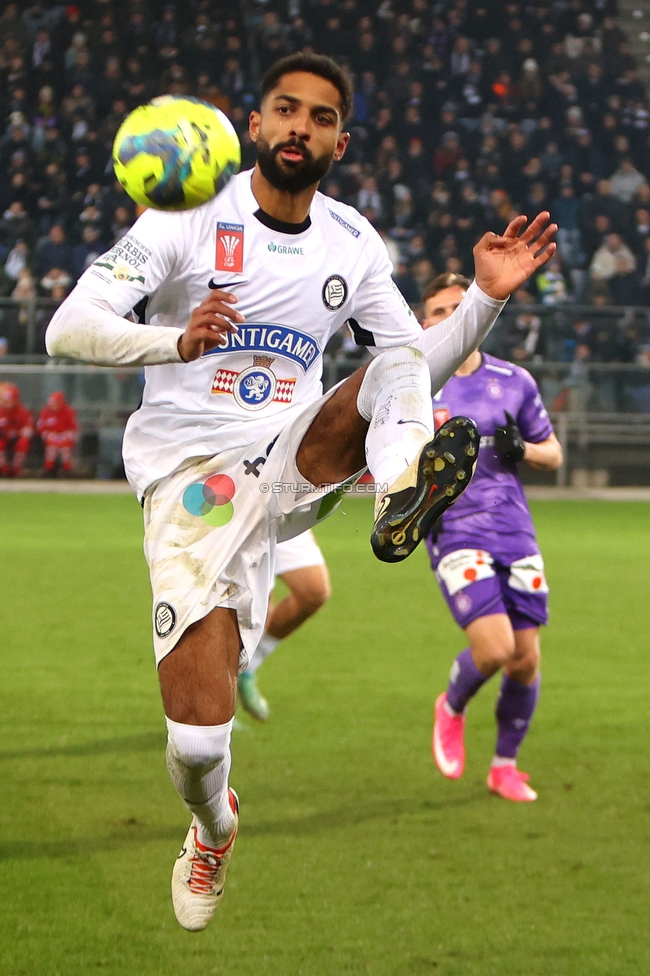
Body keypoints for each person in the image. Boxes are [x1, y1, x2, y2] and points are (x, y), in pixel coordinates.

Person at [45, 54, 556, 931]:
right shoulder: (182, 218)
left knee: (387, 367)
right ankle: (213, 827)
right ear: (255, 123)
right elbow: (66, 328)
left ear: (340, 142)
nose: (300, 128)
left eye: (320, 118)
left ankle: (402, 485)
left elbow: (410, 361)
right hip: (189, 483)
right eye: (287, 110)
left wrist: (482, 302)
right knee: (198, 743)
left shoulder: (352, 241)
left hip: (291, 457)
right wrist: (173, 342)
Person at [422, 273, 563, 802]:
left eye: (462, 307)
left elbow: (554, 453)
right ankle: (452, 706)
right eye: (439, 311)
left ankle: (504, 766)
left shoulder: (515, 380)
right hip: (455, 529)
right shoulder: (414, 383)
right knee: (498, 648)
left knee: (526, 658)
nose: (453, 318)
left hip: (514, 531)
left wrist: (522, 450)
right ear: (423, 320)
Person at [238, 529, 330, 721]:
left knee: (314, 591)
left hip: (288, 513)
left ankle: (248, 667)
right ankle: (210, 708)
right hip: (247, 516)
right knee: (253, 612)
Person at [36, 390, 78, 476]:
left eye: (55, 403)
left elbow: (73, 428)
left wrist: (65, 435)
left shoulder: (68, 412)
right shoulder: (45, 412)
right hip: (51, 437)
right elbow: (41, 428)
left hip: (65, 436)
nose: (52, 405)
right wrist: (49, 435)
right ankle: (49, 470)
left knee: (65, 449)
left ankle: (67, 470)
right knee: (51, 449)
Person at [0, 382, 33, 476]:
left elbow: (28, 429)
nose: (6, 402)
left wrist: (22, 432)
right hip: (4, 437)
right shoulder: (1, 411)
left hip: (17, 438)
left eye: (9, 400)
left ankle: (16, 468)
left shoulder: (22, 412)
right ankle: (3, 468)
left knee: (23, 443)